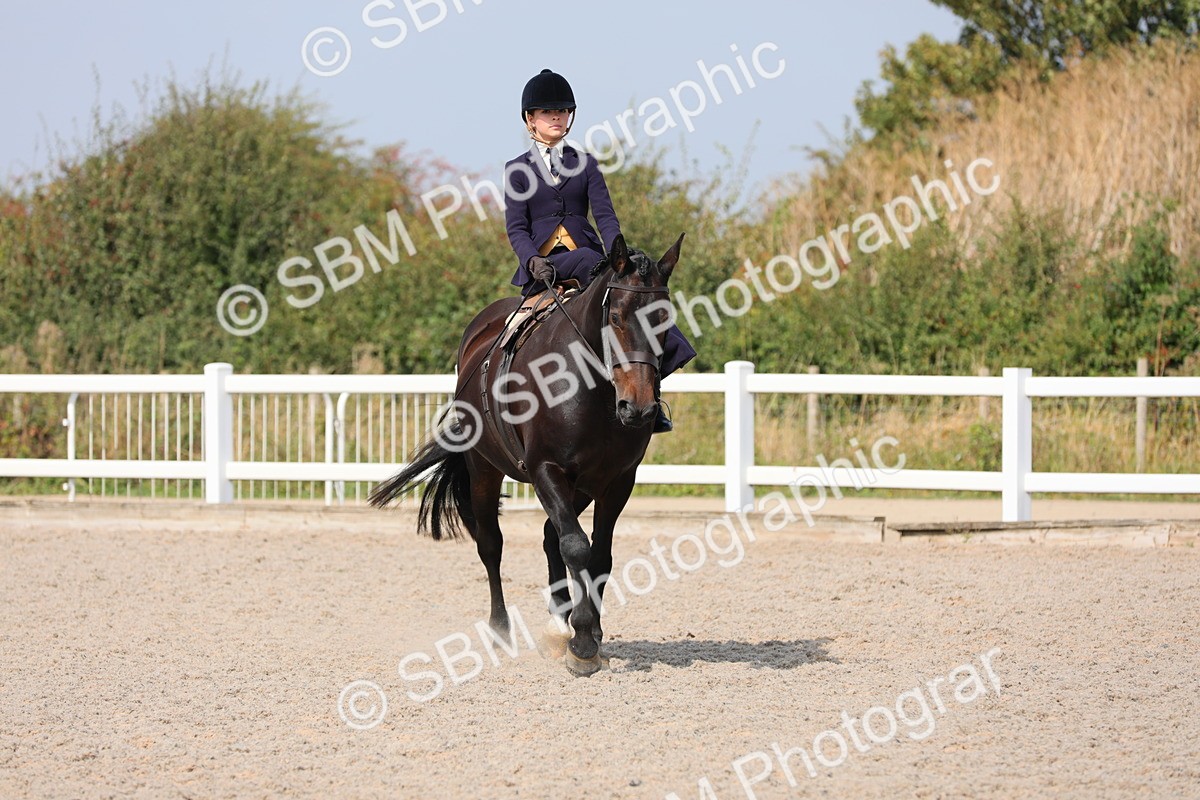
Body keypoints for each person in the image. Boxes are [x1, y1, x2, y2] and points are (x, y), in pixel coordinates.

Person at [502, 68, 696, 433]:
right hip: (544, 267)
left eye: (562, 111)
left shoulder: (586, 164)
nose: (556, 117)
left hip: (589, 258)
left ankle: (653, 393)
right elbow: (516, 228)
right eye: (547, 112)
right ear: (530, 119)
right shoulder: (517, 170)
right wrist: (532, 261)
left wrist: (618, 257)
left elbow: (605, 216)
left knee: (637, 296)